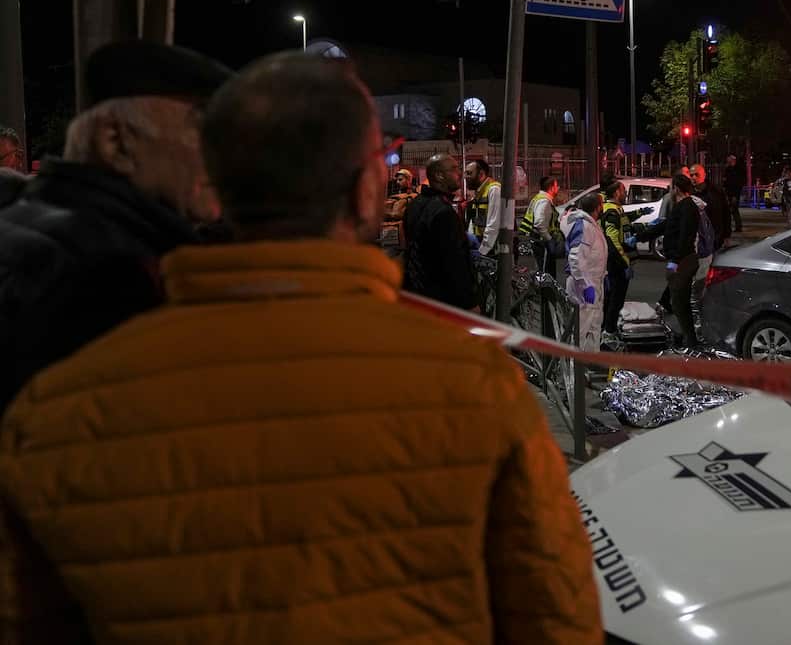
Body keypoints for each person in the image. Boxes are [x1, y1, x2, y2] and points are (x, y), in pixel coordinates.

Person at [0, 53, 603, 643]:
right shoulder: (477, 389)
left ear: (218, 185)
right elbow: (553, 617)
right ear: (366, 191)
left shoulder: (59, 408)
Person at [0, 41, 230, 407]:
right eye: (201, 129)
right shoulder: (109, 276)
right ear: (115, 142)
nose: (225, 156)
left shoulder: (30, 219)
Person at [403, 153, 478, 311]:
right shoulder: (442, 211)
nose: (460, 173)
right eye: (454, 169)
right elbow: (454, 261)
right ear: (439, 175)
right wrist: (469, 303)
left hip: (417, 294)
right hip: (442, 300)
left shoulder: (415, 204)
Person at [561, 192, 607, 351]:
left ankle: (588, 364)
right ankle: (575, 369)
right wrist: (585, 285)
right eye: (601, 205)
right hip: (584, 286)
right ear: (597, 208)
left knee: (592, 325)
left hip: (591, 283)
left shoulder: (588, 224)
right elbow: (576, 258)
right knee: (580, 329)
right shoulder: (585, 226)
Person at [664, 175, 704, 347]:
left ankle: (691, 340)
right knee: (680, 301)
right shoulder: (684, 206)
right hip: (684, 259)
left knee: (680, 302)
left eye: (672, 187)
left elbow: (685, 237)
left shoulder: (687, 207)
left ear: (677, 189)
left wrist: (675, 260)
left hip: (684, 261)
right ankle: (689, 337)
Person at [600, 179, 635, 335]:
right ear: (616, 193)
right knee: (615, 298)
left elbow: (625, 225)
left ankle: (607, 328)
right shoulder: (612, 211)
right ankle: (609, 330)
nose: (625, 193)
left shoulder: (615, 209)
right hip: (615, 262)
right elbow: (613, 239)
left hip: (613, 260)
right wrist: (625, 262)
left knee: (611, 297)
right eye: (623, 190)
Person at [519, 175, 562, 274]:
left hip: (536, 240)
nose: (558, 188)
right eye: (556, 186)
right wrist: (549, 239)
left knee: (540, 271)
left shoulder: (538, 198)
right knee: (544, 273)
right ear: (551, 188)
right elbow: (539, 224)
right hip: (541, 242)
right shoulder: (544, 202)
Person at [464, 158, 500, 255]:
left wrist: (483, 251)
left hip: (492, 248)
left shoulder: (494, 190)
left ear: (481, 174)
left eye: (469, 173)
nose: (465, 177)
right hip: (480, 243)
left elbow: (493, 224)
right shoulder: (480, 191)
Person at [691, 163, 731, 249]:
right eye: (691, 175)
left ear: (704, 175)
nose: (693, 177)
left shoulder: (716, 192)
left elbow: (726, 213)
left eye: (696, 174)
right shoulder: (688, 193)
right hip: (697, 240)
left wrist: (727, 235)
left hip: (716, 237)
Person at [723, 153, 745, 232]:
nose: (727, 161)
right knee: (731, 210)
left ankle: (738, 226)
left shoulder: (737, 170)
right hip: (729, 192)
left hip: (734, 193)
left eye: (729, 160)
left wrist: (735, 195)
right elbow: (725, 181)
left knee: (734, 209)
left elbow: (738, 184)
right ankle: (733, 226)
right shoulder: (728, 169)